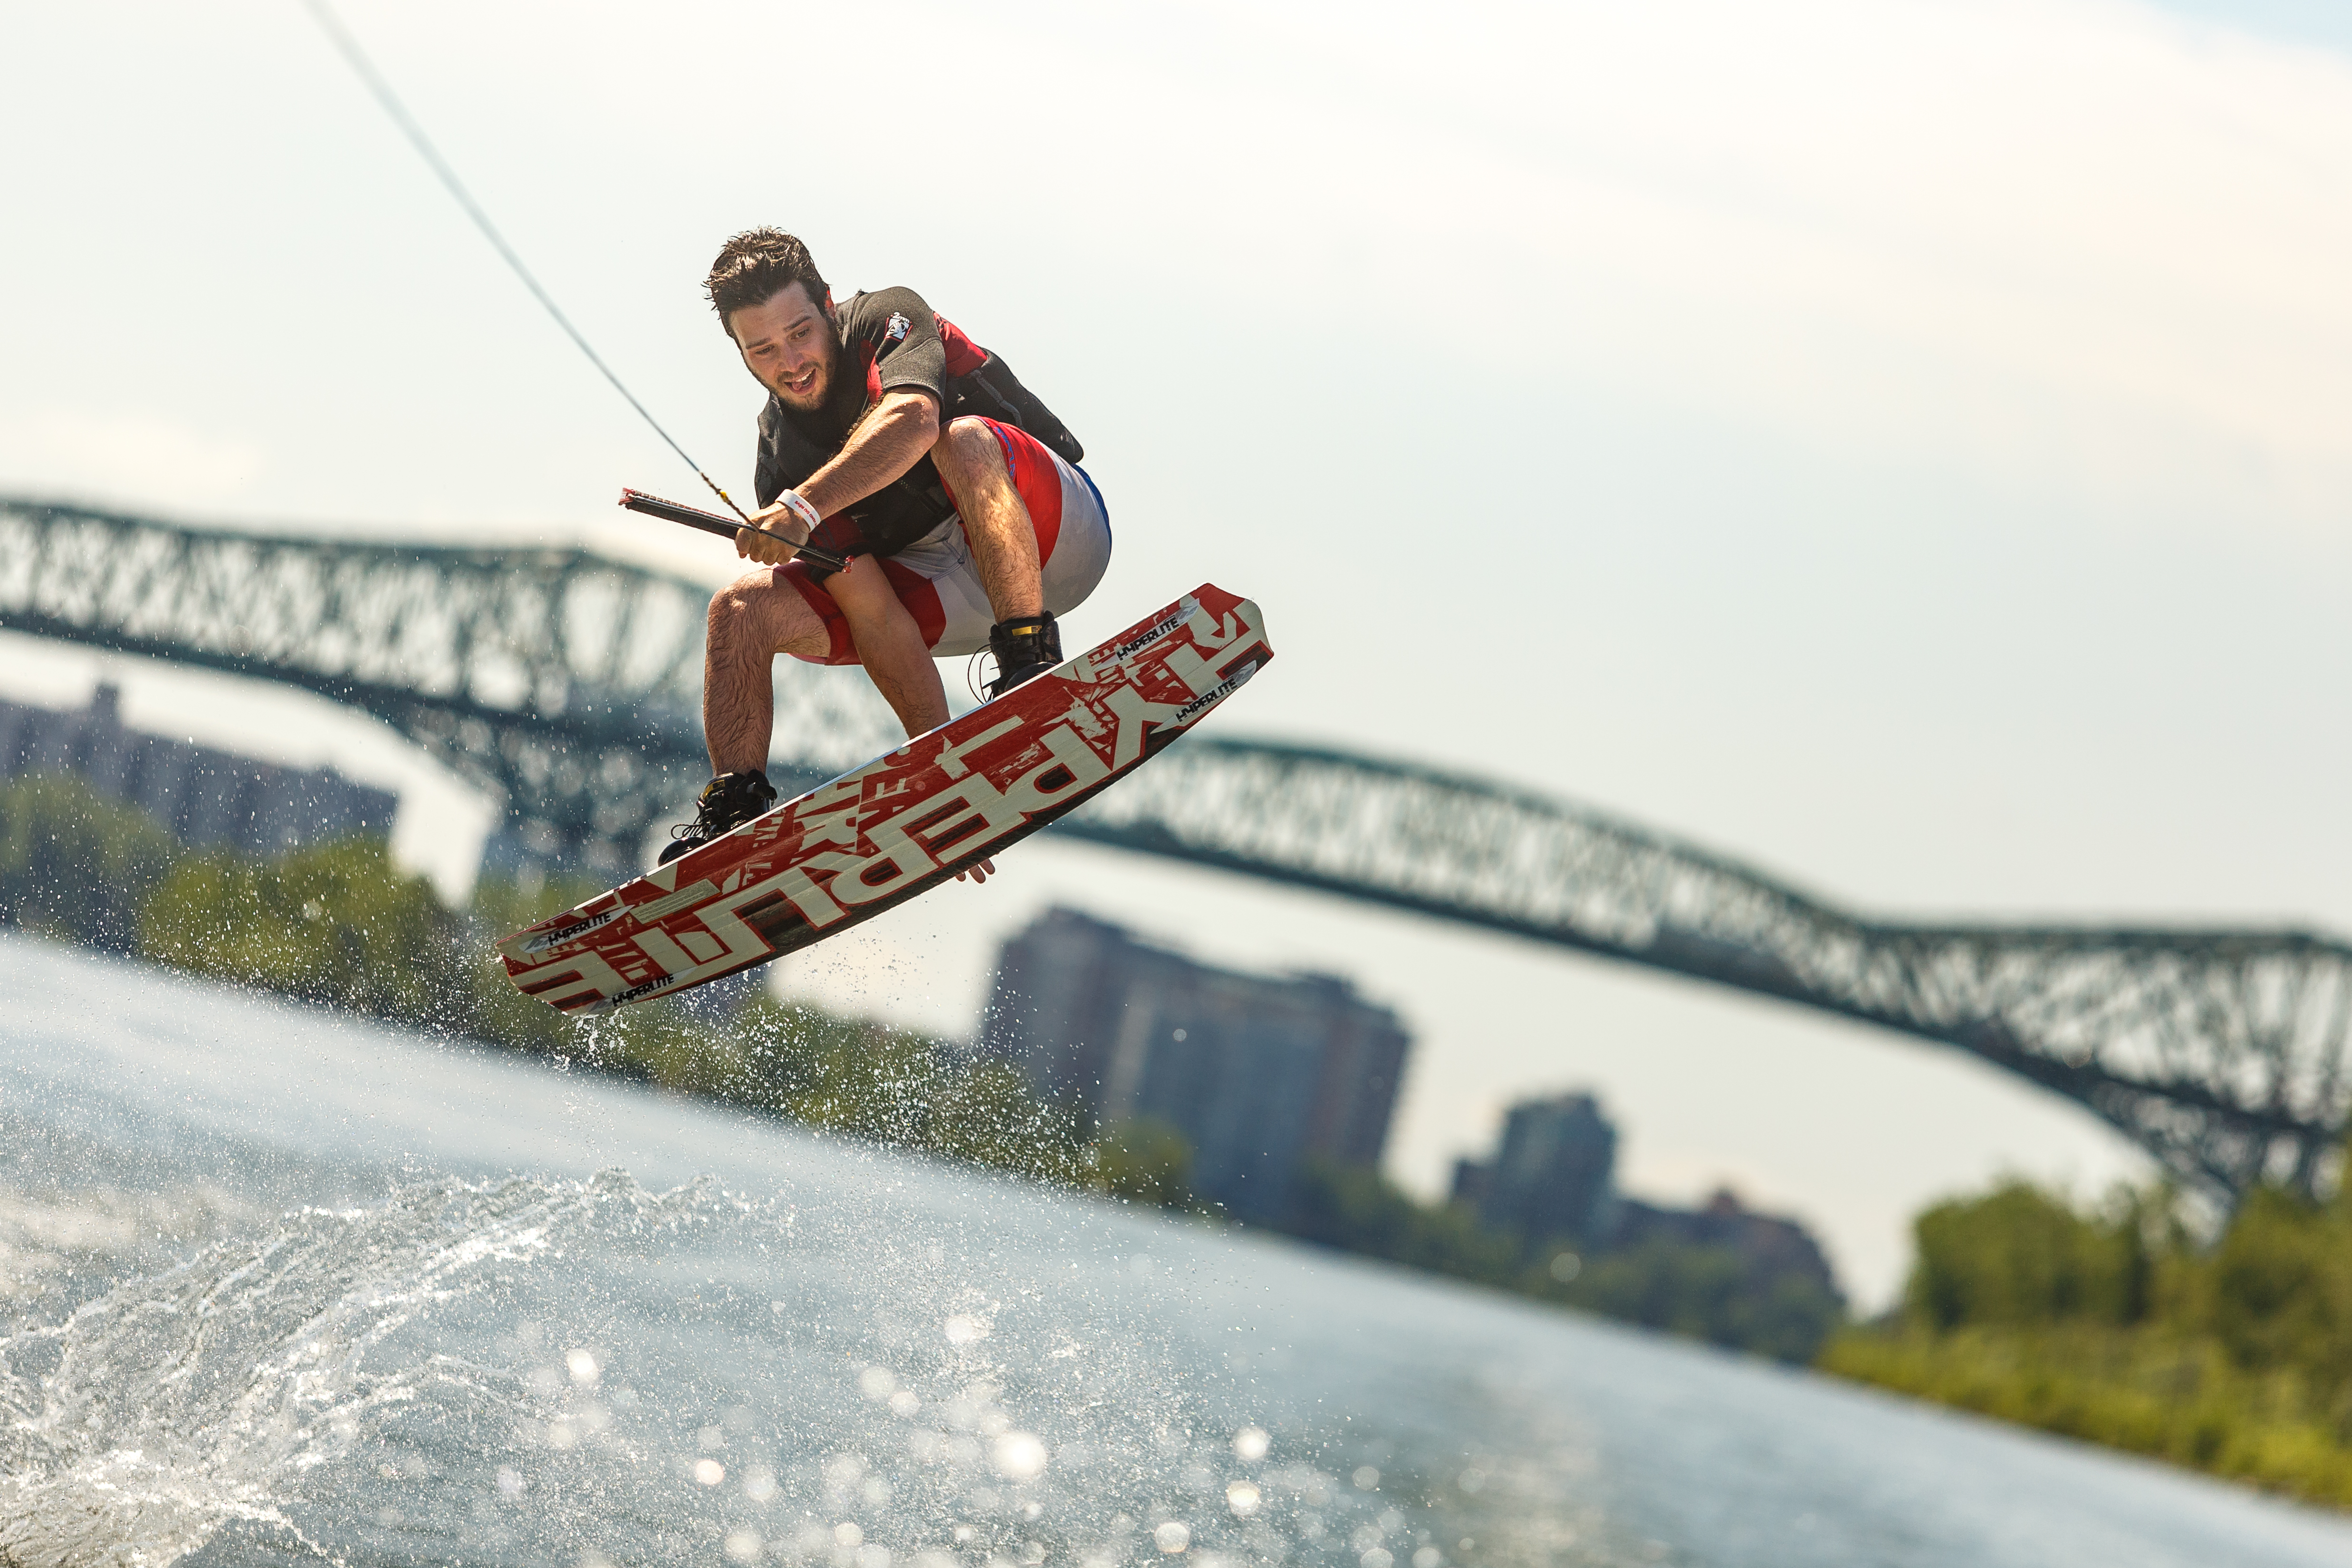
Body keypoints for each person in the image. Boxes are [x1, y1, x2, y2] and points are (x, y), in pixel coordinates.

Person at [659, 230, 1111, 866]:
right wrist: (945, 786)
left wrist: (803, 507)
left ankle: (1029, 663)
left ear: (826, 304)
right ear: (739, 352)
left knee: (962, 440)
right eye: (761, 349)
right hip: (942, 597)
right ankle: (736, 826)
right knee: (739, 609)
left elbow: (914, 421)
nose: (789, 362)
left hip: (1056, 540)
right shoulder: (780, 458)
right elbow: (876, 619)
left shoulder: (887, 317)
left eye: (799, 333)